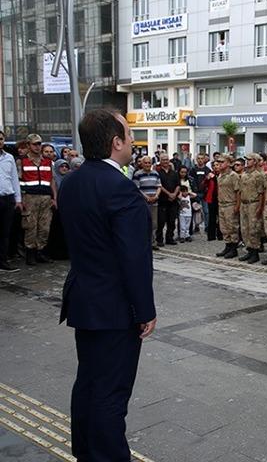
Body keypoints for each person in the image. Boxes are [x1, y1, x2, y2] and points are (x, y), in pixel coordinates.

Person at [58, 109, 157, 461]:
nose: (133, 141)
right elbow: (134, 259)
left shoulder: (72, 182)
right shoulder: (121, 190)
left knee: (88, 385)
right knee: (111, 394)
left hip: (84, 301)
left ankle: (86, 452)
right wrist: (144, 310)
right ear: (116, 143)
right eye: (129, 134)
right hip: (114, 309)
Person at [19, 134, 57, 265]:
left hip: (46, 197)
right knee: (30, 226)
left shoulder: (47, 161)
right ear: (28, 145)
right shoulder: (22, 161)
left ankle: (41, 251)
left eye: (39, 144)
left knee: (45, 226)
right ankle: (30, 253)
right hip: (30, 197)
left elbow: (52, 180)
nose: (38, 146)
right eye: (35, 144)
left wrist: (54, 198)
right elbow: (17, 180)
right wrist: (20, 199)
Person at [0, 131, 22, 272]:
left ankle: (3, 261)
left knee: (5, 232)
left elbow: (14, 179)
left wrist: (18, 199)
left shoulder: (9, 158)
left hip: (7, 198)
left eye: (1, 139)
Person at [237, 153, 265, 264]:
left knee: (254, 229)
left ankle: (255, 252)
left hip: (253, 203)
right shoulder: (244, 175)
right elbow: (240, 191)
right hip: (244, 204)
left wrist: (260, 207)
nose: (247, 161)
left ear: (255, 161)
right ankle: (249, 250)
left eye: (250, 160)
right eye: (247, 160)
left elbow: (261, 193)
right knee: (245, 229)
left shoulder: (258, 175)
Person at [132, 156, 162, 250]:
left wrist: (156, 196)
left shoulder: (155, 173)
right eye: (146, 163)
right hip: (143, 203)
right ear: (142, 164)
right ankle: (143, 242)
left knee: (154, 223)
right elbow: (137, 188)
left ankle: (152, 242)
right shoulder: (137, 174)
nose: (148, 165)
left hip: (154, 202)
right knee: (143, 223)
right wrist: (146, 197)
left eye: (149, 163)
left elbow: (159, 186)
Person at [214, 154, 241, 259]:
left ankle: (234, 249)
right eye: (219, 162)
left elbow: (238, 191)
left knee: (232, 227)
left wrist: (237, 206)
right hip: (222, 204)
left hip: (230, 204)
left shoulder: (233, 175)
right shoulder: (220, 175)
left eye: (222, 162)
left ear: (229, 163)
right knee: (224, 228)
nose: (220, 164)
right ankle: (227, 246)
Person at [155, 154, 180, 246]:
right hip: (162, 200)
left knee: (172, 221)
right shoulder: (157, 173)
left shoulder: (174, 173)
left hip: (173, 201)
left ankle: (170, 238)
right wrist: (169, 194)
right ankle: (159, 239)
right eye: (163, 160)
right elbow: (159, 186)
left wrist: (174, 194)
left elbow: (178, 185)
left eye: (167, 160)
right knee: (161, 221)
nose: (165, 161)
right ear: (160, 161)